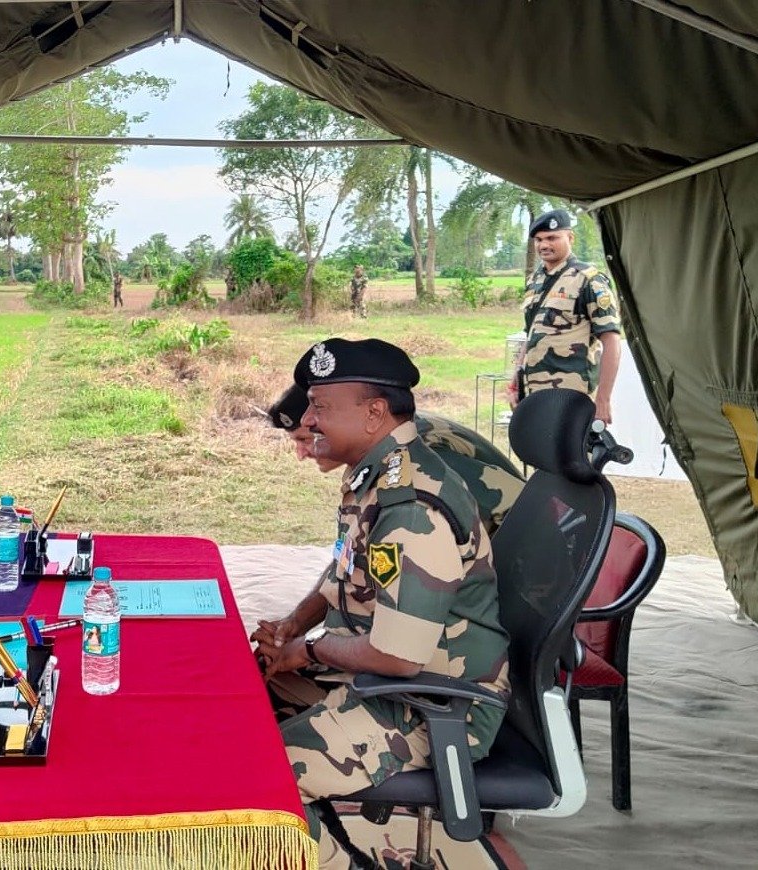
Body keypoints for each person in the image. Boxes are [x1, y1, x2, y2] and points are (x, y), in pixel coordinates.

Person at [251, 338, 509, 802]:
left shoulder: (410, 506)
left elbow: (397, 655)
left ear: (373, 413)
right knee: (239, 695)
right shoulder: (378, 473)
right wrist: (294, 625)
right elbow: (343, 570)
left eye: (318, 407)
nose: (307, 421)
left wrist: (308, 647)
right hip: (377, 678)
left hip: (429, 706)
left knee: (254, 777)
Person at [265, 382, 524, 533]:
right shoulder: (380, 442)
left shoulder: (415, 452)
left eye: (305, 440)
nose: (301, 454)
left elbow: (520, 510)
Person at [507, 209, 622, 424]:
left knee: (571, 456)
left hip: (571, 395)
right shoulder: (536, 280)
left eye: (552, 238)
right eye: (538, 239)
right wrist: (517, 376)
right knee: (537, 453)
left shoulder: (588, 280)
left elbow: (612, 340)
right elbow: (531, 333)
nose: (543, 245)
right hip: (534, 392)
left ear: (570, 238)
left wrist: (603, 400)